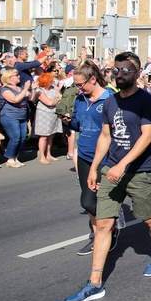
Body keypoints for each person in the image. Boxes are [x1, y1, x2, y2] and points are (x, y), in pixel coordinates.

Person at [63, 52, 151, 301]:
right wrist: (94, 168)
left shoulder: (147, 101)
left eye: (125, 71)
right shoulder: (110, 102)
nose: (119, 75)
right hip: (111, 169)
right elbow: (105, 137)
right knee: (103, 224)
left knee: (146, 216)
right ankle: (95, 283)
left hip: (138, 172)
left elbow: (146, 137)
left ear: (138, 73)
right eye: (116, 70)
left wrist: (123, 165)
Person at [62, 61, 117, 256]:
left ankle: (108, 227)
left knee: (91, 201)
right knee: (89, 200)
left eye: (80, 84)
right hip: (84, 155)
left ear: (93, 79)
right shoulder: (80, 99)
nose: (78, 89)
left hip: (104, 157)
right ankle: (99, 235)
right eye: (76, 85)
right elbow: (79, 124)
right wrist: (69, 121)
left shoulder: (110, 99)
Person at [0, 69, 34, 168]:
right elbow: (15, 100)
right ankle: (10, 159)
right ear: (9, 78)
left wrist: (33, 89)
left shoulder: (20, 88)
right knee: (15, 137)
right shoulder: (5, 89)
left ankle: (15, 157)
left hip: (22, 116)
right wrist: (25, 89)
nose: (19, 76)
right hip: (9, 116)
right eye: (16, 75)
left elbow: (31, 98)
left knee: (22, 138)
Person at [34, 72, 62, 165]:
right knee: (44, 136)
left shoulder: (53, 88)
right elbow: (49, 103)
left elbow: (60, 97)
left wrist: (57, 97)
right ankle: (42, 156)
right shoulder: (39, 91)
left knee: (51, 134)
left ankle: (48, 154)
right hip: (44, 114)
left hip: (54, 114)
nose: (52, 82)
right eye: (50, 80)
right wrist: (57, 99)